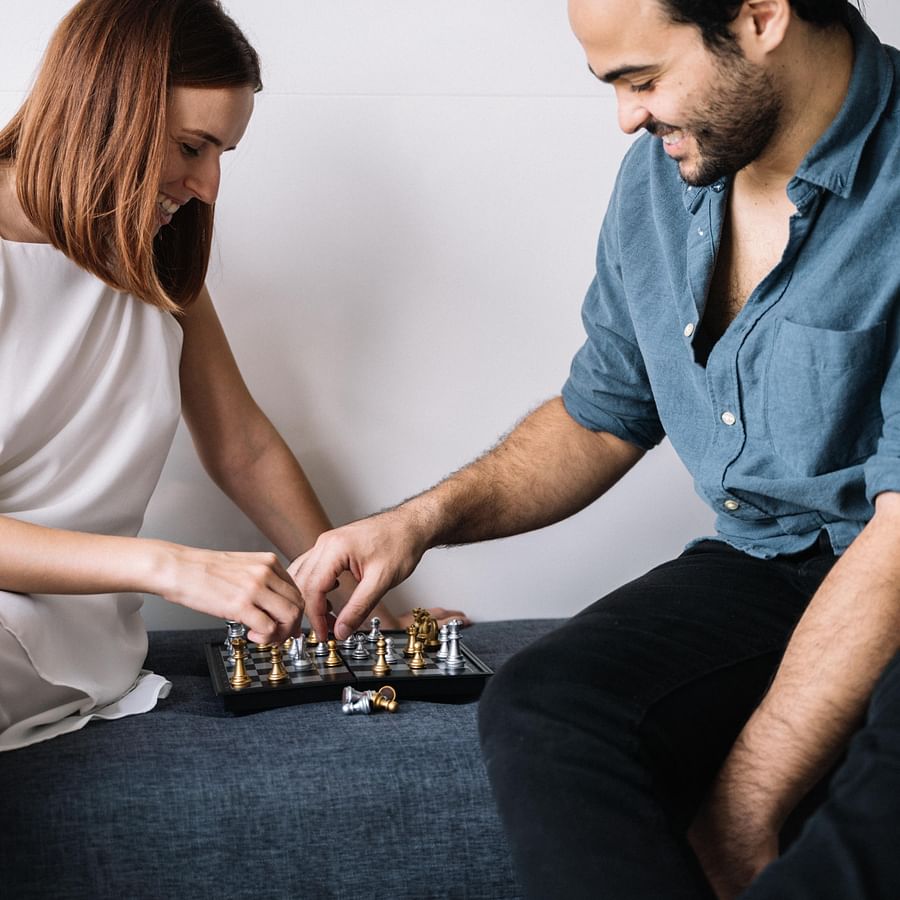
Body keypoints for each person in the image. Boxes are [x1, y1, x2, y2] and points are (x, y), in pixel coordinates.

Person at [290, 0, 900, 896]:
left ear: (762, 16)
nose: (626, 117)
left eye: (644, 80)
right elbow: (604, 414)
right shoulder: (663, 178)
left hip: (889, 559)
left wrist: (740, 808)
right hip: (771, 561)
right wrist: (416, 523)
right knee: (544, 707)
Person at [0, 0, 464, 753]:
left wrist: (362, 613)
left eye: (222, 154)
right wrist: (169, 568)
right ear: (102, 108)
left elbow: (242, 448)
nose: (208, 186)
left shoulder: (151, 262)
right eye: (191, 146)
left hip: (79, 650)